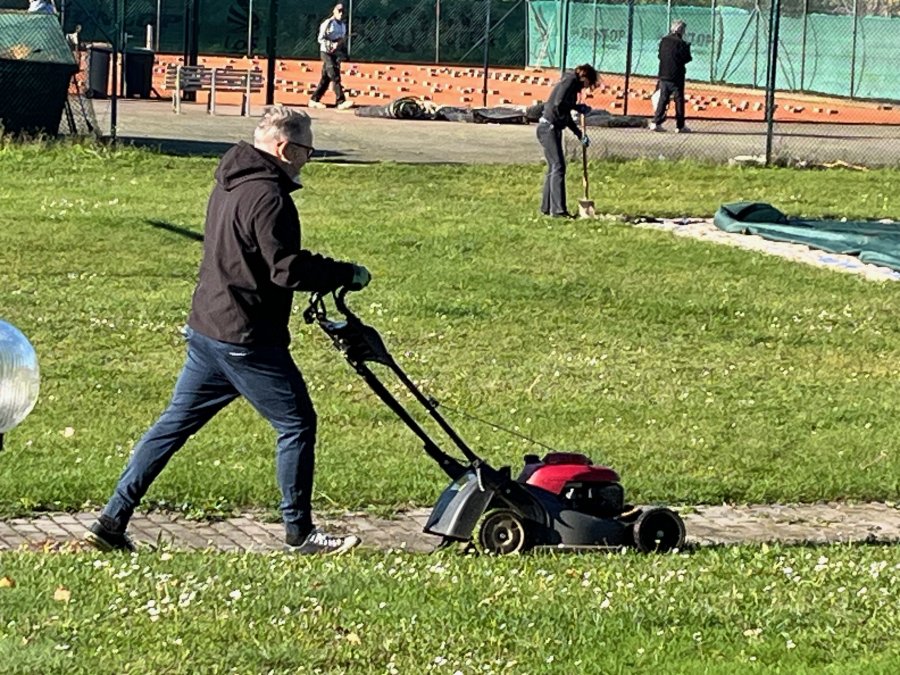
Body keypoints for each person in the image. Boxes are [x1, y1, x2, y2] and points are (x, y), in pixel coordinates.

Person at [85, 106, 371, 556]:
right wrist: (344, 273)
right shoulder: (270, 197)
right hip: (246, 338)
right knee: (296, 423)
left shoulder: (229, 180)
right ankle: (299, 533)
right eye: (307, 151)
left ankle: (111, 520)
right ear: (285, 148)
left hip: (208, 328)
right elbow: (285, 269)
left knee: (172, 427)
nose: (307, 160)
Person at [536, 63, 599, 218]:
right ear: (584, 77)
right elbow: (559, 104)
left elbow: (566, 115)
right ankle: (558, 211)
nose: (587, 87)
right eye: (588, 83)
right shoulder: (569, 81)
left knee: (553, 168)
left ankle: (546, 208)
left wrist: (579, 133)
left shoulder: (572, 87)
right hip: (548, 128)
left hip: (553, 128)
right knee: (558, 166)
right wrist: (576, 107)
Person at [650, 20, 692, 133]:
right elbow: (687, 58)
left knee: (663, 99)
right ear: (681, 31)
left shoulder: (664, 41)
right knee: (679, 100)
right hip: (676, 75)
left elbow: (660, 55)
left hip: (664, 74)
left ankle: (656, 122)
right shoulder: (682, 43)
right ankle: (680, 125)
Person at [308, 3, 353, 110]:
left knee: (325, 78)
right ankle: (341, 101)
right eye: (339, 11)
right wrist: (331, 45)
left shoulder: (343, 26)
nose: (341, 14)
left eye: (343, 12)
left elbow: (341, 39)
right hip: (326, 52)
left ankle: (314, 100)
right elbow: (320, 38)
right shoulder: (328, 23)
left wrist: (339, 46)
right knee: (334, 74)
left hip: (335, 54)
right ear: (334, 11)